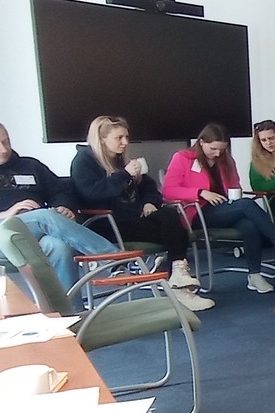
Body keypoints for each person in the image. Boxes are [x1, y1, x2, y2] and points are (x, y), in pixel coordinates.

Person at [0, 117, 122, 303]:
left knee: (59, 246)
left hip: (35, 232)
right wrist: (1, 215)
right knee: (44, 216)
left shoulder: (30, 165)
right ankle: (115, 262)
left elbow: (61, 190)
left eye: (6, 141)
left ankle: (68, 314)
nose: (3, 149)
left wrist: (64, 206)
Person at [70, 115, 212, 312]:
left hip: (133, 219)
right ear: (102, 139)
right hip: (106, 224)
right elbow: (92, 193)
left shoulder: (122, 160)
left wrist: (149, 202)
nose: (125, 142)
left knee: (171, 216)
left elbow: (150, 188)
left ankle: (178, 275)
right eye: (119, 138)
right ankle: (177, 283)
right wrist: (124, 174)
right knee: (174, 233)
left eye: (126, 137)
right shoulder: (84, 160)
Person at [164, 123, 275, 293]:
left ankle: (254, 276)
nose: (218, 153)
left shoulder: (226, 161)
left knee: (249, 225)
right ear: (201, 142)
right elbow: (168, 190)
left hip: (224, 209)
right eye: (213, 149)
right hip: (197, 213)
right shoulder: (183, 158)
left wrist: (234, 195)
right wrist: (201, 192)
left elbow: (234, 186)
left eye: (222, 149)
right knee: (246, 204)